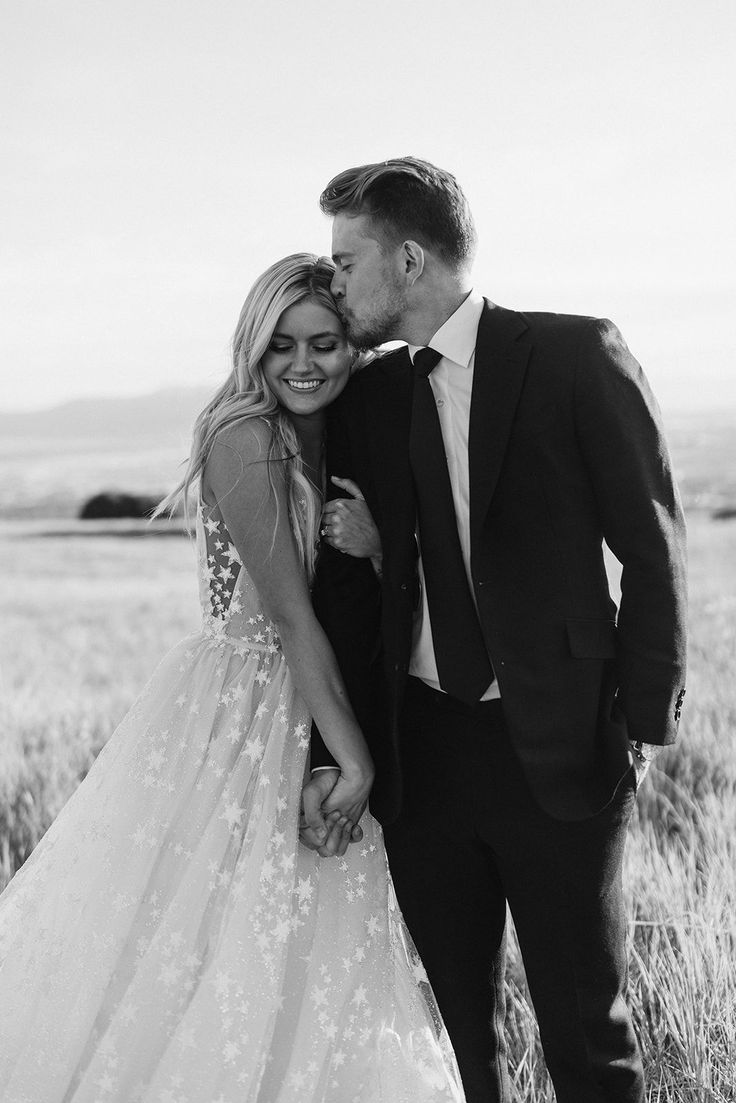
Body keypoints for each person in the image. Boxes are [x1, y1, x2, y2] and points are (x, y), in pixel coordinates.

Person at [0, 254, 465, 1103]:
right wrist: (354, 762)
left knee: (310, 940)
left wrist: (379, 544)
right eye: (281, 343)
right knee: (217, 933)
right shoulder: (243, 435)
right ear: (254, 347)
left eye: (325, 342)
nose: (303, 362)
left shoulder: (351, 427)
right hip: (246, 711)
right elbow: (291, 620)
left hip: (321, 700)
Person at [301, 159, 688, 1103]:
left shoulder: (572, 356)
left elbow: (653, 545)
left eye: (345, 261)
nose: (334, 280)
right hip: (423, 752)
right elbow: (353, 599)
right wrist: (334, 748)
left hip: (558, 742)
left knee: (586, 1029)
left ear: (407, 257)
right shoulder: (368, 398)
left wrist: (638, 722)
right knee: (456, 1034)